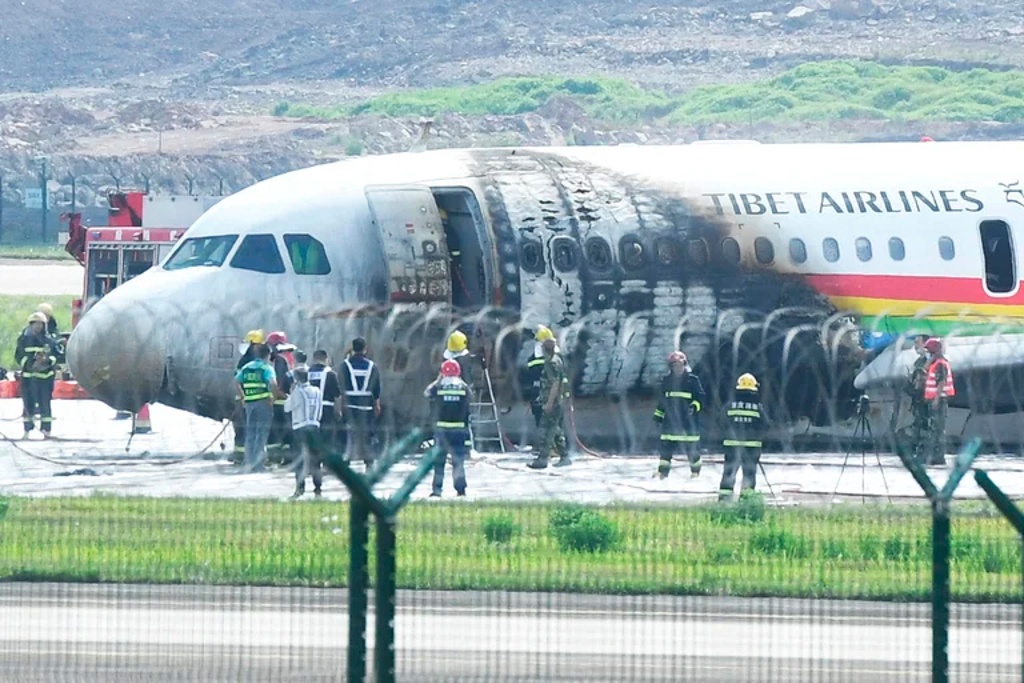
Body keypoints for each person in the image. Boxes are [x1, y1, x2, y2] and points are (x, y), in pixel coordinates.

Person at [653, 350, 705, 479]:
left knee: (692, 449)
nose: (678, 368)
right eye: (675, 365)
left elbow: (701, 398)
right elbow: (662, 401)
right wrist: (658, 416)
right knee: (666, 449)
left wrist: (694, 406)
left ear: (684, 365)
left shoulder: (693, 380)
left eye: (680, 365)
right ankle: (662, 473)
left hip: (688, 422)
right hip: (670, 422)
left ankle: (695, 473)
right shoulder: (666, 381)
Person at [424, 359, 471, 497]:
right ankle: (460, 490)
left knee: (439, 462)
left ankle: (437, 491)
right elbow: (468, 409)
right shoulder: (464, 387)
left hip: (441, 431)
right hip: (459, 431)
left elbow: (426, 393)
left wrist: (438, 379)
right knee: (458, 462)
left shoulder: (439, 387)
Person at [527, 326, 571, 469]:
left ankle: (542, 459)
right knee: (554, 428)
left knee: (547, 429)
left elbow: (555, 384)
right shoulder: (556, 360)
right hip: (553, 400)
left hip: (553, 402)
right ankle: (564, 456)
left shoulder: (552, 363)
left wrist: (549, 402)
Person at [719, 373, 765, 501]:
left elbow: (721, 421)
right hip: (751, 448)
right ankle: (746, 501)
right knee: (749, 475)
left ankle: (724, 500)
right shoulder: (758, 407)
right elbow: (766, 425)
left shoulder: (729, 405)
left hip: (732, 446)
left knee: (728, 473)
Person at [234, 343, 279, 473]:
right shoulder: (267, 368)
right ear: (268, 355)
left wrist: (242, 397)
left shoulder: (246, 367)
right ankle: (258, 465)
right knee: (261, 433)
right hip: (263, 403)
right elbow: (273, 384)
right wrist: (273, 398)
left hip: (249, 404)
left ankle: (248, 463)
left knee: (251, 434)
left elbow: (236, 382)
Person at [15, 312, 57, 438]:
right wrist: (29, 364)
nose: (37, 327)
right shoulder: (23, 340)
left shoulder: (48, 341)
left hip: (45, 379)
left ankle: (46, 431)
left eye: (40, 324)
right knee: (28, 404)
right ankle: (27, 431)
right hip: (28, 378)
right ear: (31, 325)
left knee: (45, 404)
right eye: (35, 324)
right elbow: (18, 356)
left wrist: (46, 362)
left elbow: (56, 356)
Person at [341, 337, 382, 466]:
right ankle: (369, 463)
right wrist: (377, 405)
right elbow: (376, 388)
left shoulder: (345, 365)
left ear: (352, 348)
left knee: (349, 435)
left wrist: (340, 406)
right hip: (367, 406)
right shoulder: (372, 366)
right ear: (365, 349)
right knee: (367, 435)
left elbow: (341, 387)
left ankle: (346, 461)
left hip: (350, 405)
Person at [285, 367, 325, 499]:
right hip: (315, 426)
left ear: (296, 379)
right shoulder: (317, 391)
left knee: (299, 459)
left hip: (300, 428)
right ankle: (318, 488)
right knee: (315, 460)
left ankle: (300, 488)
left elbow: (287, 408)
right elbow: (320, 408)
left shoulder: (297, 392)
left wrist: (291, 393)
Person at [232, 329, 266, 463]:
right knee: (254, 428)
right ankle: (252, 457)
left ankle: (239, 456)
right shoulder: (256, 362)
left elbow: (236, 380)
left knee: (241, 428)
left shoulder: (243, 360)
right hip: (254, 399)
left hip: (242, 399)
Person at [923, 337, 954, 466]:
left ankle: (939, 457)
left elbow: (941, 382)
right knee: (934, 428)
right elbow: (925, 368)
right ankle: (935, 455)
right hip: (936, 400)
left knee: (938, 429)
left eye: (929, 351)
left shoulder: (940, 364)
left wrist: (936, 399)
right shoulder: (935, 362)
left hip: (939, 400)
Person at [266, 331, 295, 464]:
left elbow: (278, 381)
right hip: (289, 400)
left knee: (274, 431)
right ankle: (288, 457)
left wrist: (274, 396)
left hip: (279, 401)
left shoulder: (279, 360)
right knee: (287, 430)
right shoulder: (289, 358)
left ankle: (274, 457)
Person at [308, 349, 343, 454]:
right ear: (326, 359)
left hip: (310, 409)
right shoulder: (330, 374)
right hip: (326, 408)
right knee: (327, 437)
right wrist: (338, 411)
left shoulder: (307, 372)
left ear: (314, 359)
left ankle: (315, 462)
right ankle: (325, 461)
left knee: (314, 436)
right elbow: (337, 395)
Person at [906, 334, 930, 463]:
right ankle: (916, 450)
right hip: (918, 399)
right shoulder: (919, 361)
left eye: (917, 342)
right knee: (918, 425)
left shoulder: (928, 360)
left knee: (925, 425)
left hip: (926, 398)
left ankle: (924, 450)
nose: (915, 345)